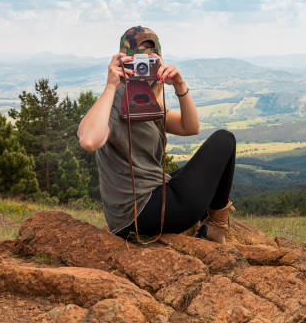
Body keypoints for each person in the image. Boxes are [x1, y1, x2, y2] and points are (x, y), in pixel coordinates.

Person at [77, 26, 236, 244]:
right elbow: (89, 140)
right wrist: (110, 86)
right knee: (224, 140)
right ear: (124, 62)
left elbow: (190, 127)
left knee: (184, 176)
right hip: (146, 212)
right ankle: (216, 226)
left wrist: (179, 84)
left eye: (151, 61)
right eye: (138, 60)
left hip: (127, 220)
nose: (144, 67)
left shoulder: (145, 101)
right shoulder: (115, 99)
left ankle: (206, 216)